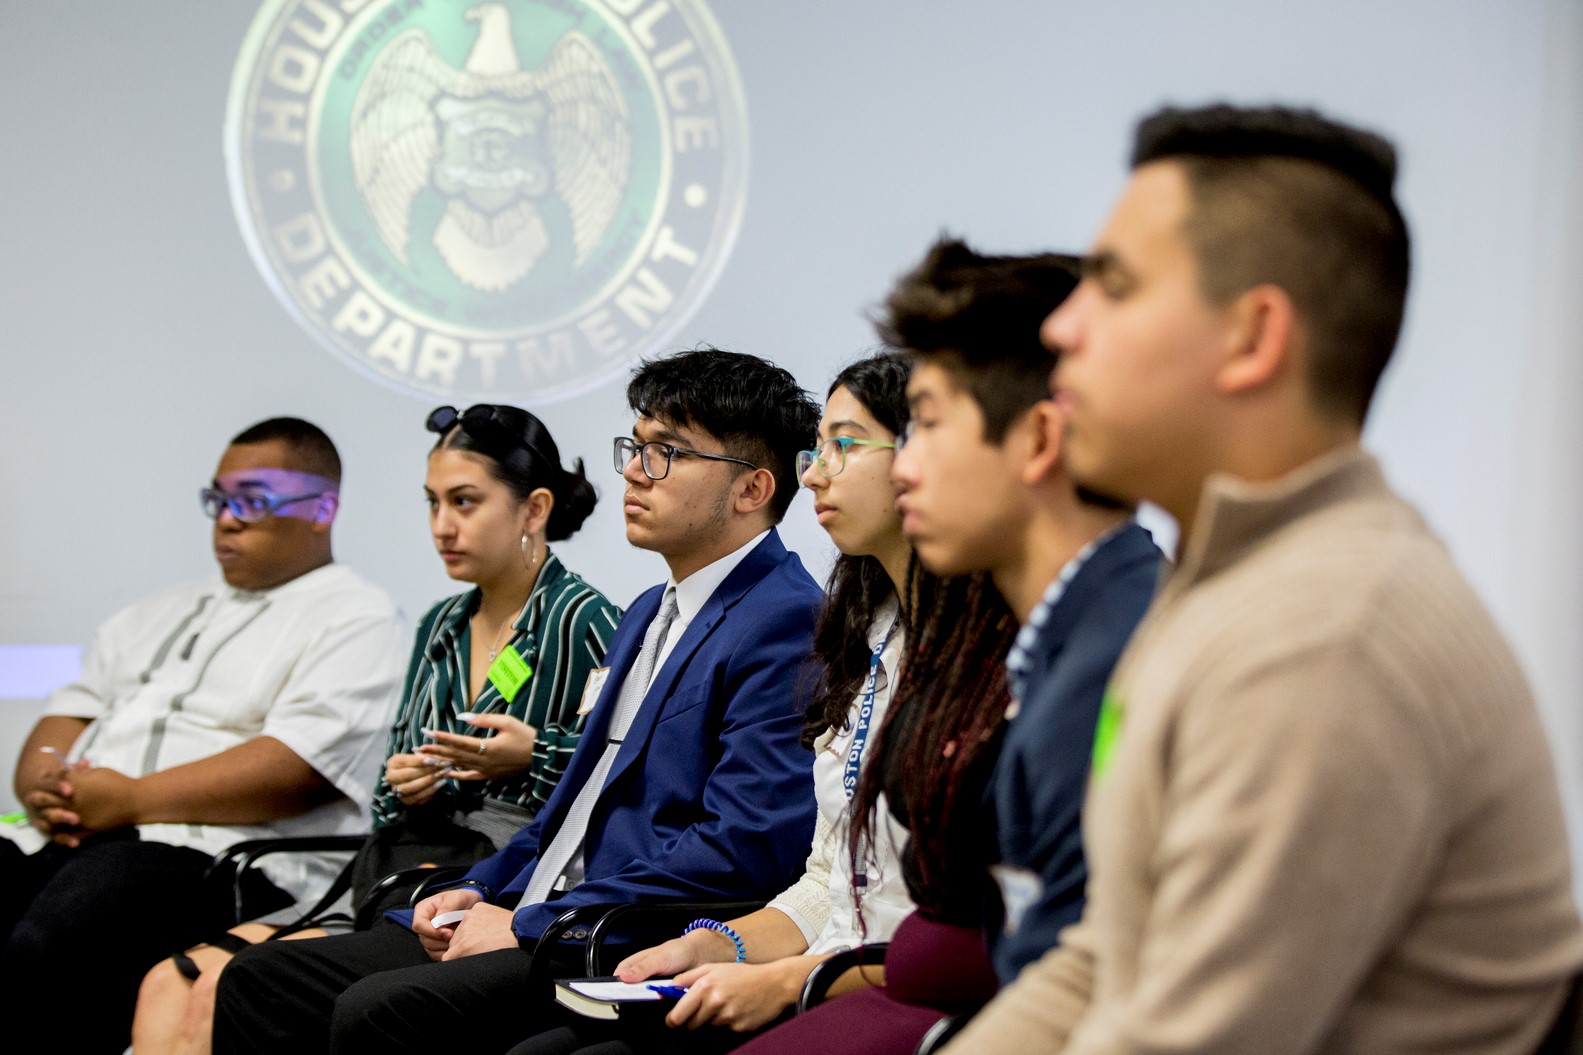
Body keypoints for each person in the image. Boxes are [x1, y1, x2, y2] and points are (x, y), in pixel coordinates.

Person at [941, 104, 1583, 1055]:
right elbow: (1105, 958)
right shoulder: (1223, 587)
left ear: (1253, 337)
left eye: (1112, 286)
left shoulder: (1320, 634)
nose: (1061, 325)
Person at [211, 348, 824, 1055]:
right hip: (545, 907)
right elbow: (576, 806)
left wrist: (534, 921)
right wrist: (479, 886)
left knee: (380, 1009)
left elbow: (742, 844)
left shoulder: (784, 618)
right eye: (635, 446)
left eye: (666, 453)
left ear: (751, 488)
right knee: (262, 978)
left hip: (619, 934)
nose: (632, 469)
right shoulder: (649, 610)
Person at [130, 404, 622, 1055]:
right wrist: (407, 784)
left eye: (465, 502)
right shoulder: (439, 625)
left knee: (234, 983)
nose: (441, 526)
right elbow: (386, 797)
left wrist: (524, 760)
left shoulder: (583, 621)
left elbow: (611, 789)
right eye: (432, 502)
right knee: (170, 981)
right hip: (399, 867)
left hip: (496, 881)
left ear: (534, 509)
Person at [508, 351, 921, 1055]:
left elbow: (748, 838)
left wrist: (793, 976)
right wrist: (720, 941)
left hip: (879, 981)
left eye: (842, 447)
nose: (814, 472)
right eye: (816, 449)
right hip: (815, 955)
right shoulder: (864, 627)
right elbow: (828, 875)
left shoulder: (791, 618)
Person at [0, 417, 407, 1055]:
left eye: (254, 500)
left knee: (55, 944)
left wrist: (129, 799)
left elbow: (297, 768)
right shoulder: (160, 609)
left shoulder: (356, 616)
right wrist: (43, 783)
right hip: (81, 834)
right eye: (219, 499)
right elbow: (69, 712)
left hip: (215, 855)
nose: (227, 519)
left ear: (322, 509)